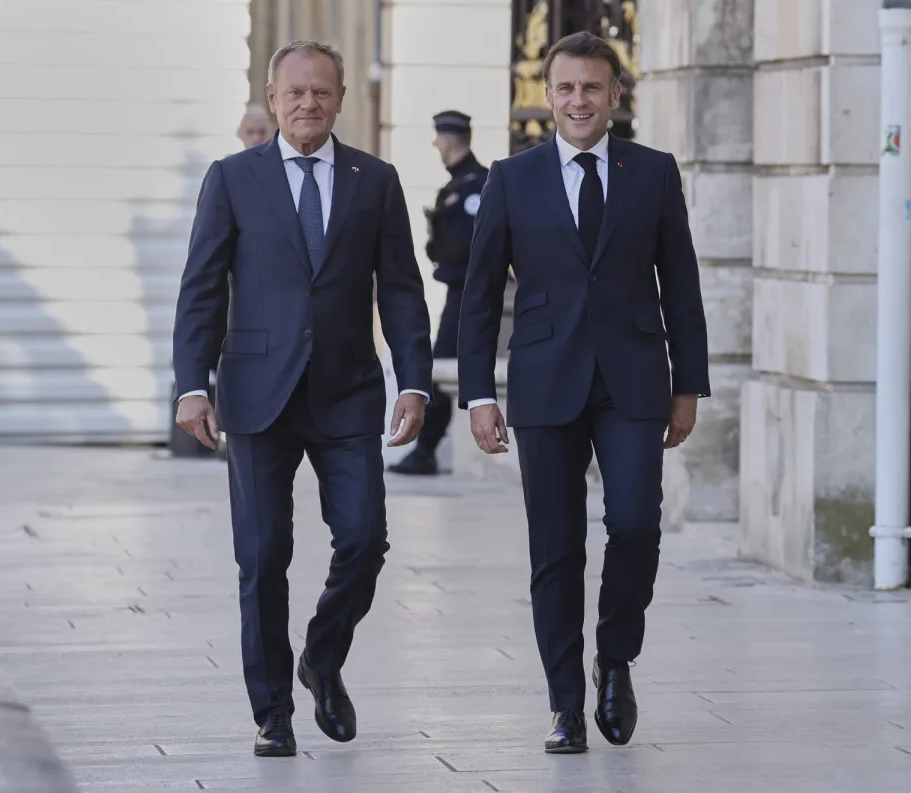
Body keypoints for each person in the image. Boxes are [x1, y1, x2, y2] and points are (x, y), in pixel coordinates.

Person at [172, 40, 433, 758]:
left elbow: (402, 289)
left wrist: (413, 380)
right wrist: (192, 385)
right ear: (273, 96)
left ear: (340, 98)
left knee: (365, 539)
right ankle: (273, 712)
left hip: (348, 392)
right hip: (257, 393)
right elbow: (201, 286)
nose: (308, 104)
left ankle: (321, 654)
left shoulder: (375, 180)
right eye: (295, 92)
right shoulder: (232, 178)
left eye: (321, 91)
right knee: (262, 558)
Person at [457, 31, 710, 754]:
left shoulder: (653, 172)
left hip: (634, 379)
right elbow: (480, 294)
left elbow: (681, 284)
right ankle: (565, 703)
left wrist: (689, 384)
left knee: (634, 524)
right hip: (545, 381)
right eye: (565, 88)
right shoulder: (512, 178)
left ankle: (615, 658)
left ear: (615, 96)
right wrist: (478, 393)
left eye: (592, 88)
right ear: (547, 95)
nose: (578, 101)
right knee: (555, 547)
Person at [388, 110, 488, 476]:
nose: (435, 144)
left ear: (448, 140)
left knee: (442, 365)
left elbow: (468, 243)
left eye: (438, 138)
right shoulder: (458, 183)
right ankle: (425, 448)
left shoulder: (475, 185)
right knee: (444, 364)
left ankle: (425, 449)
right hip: (458, 290)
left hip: (470, 293)